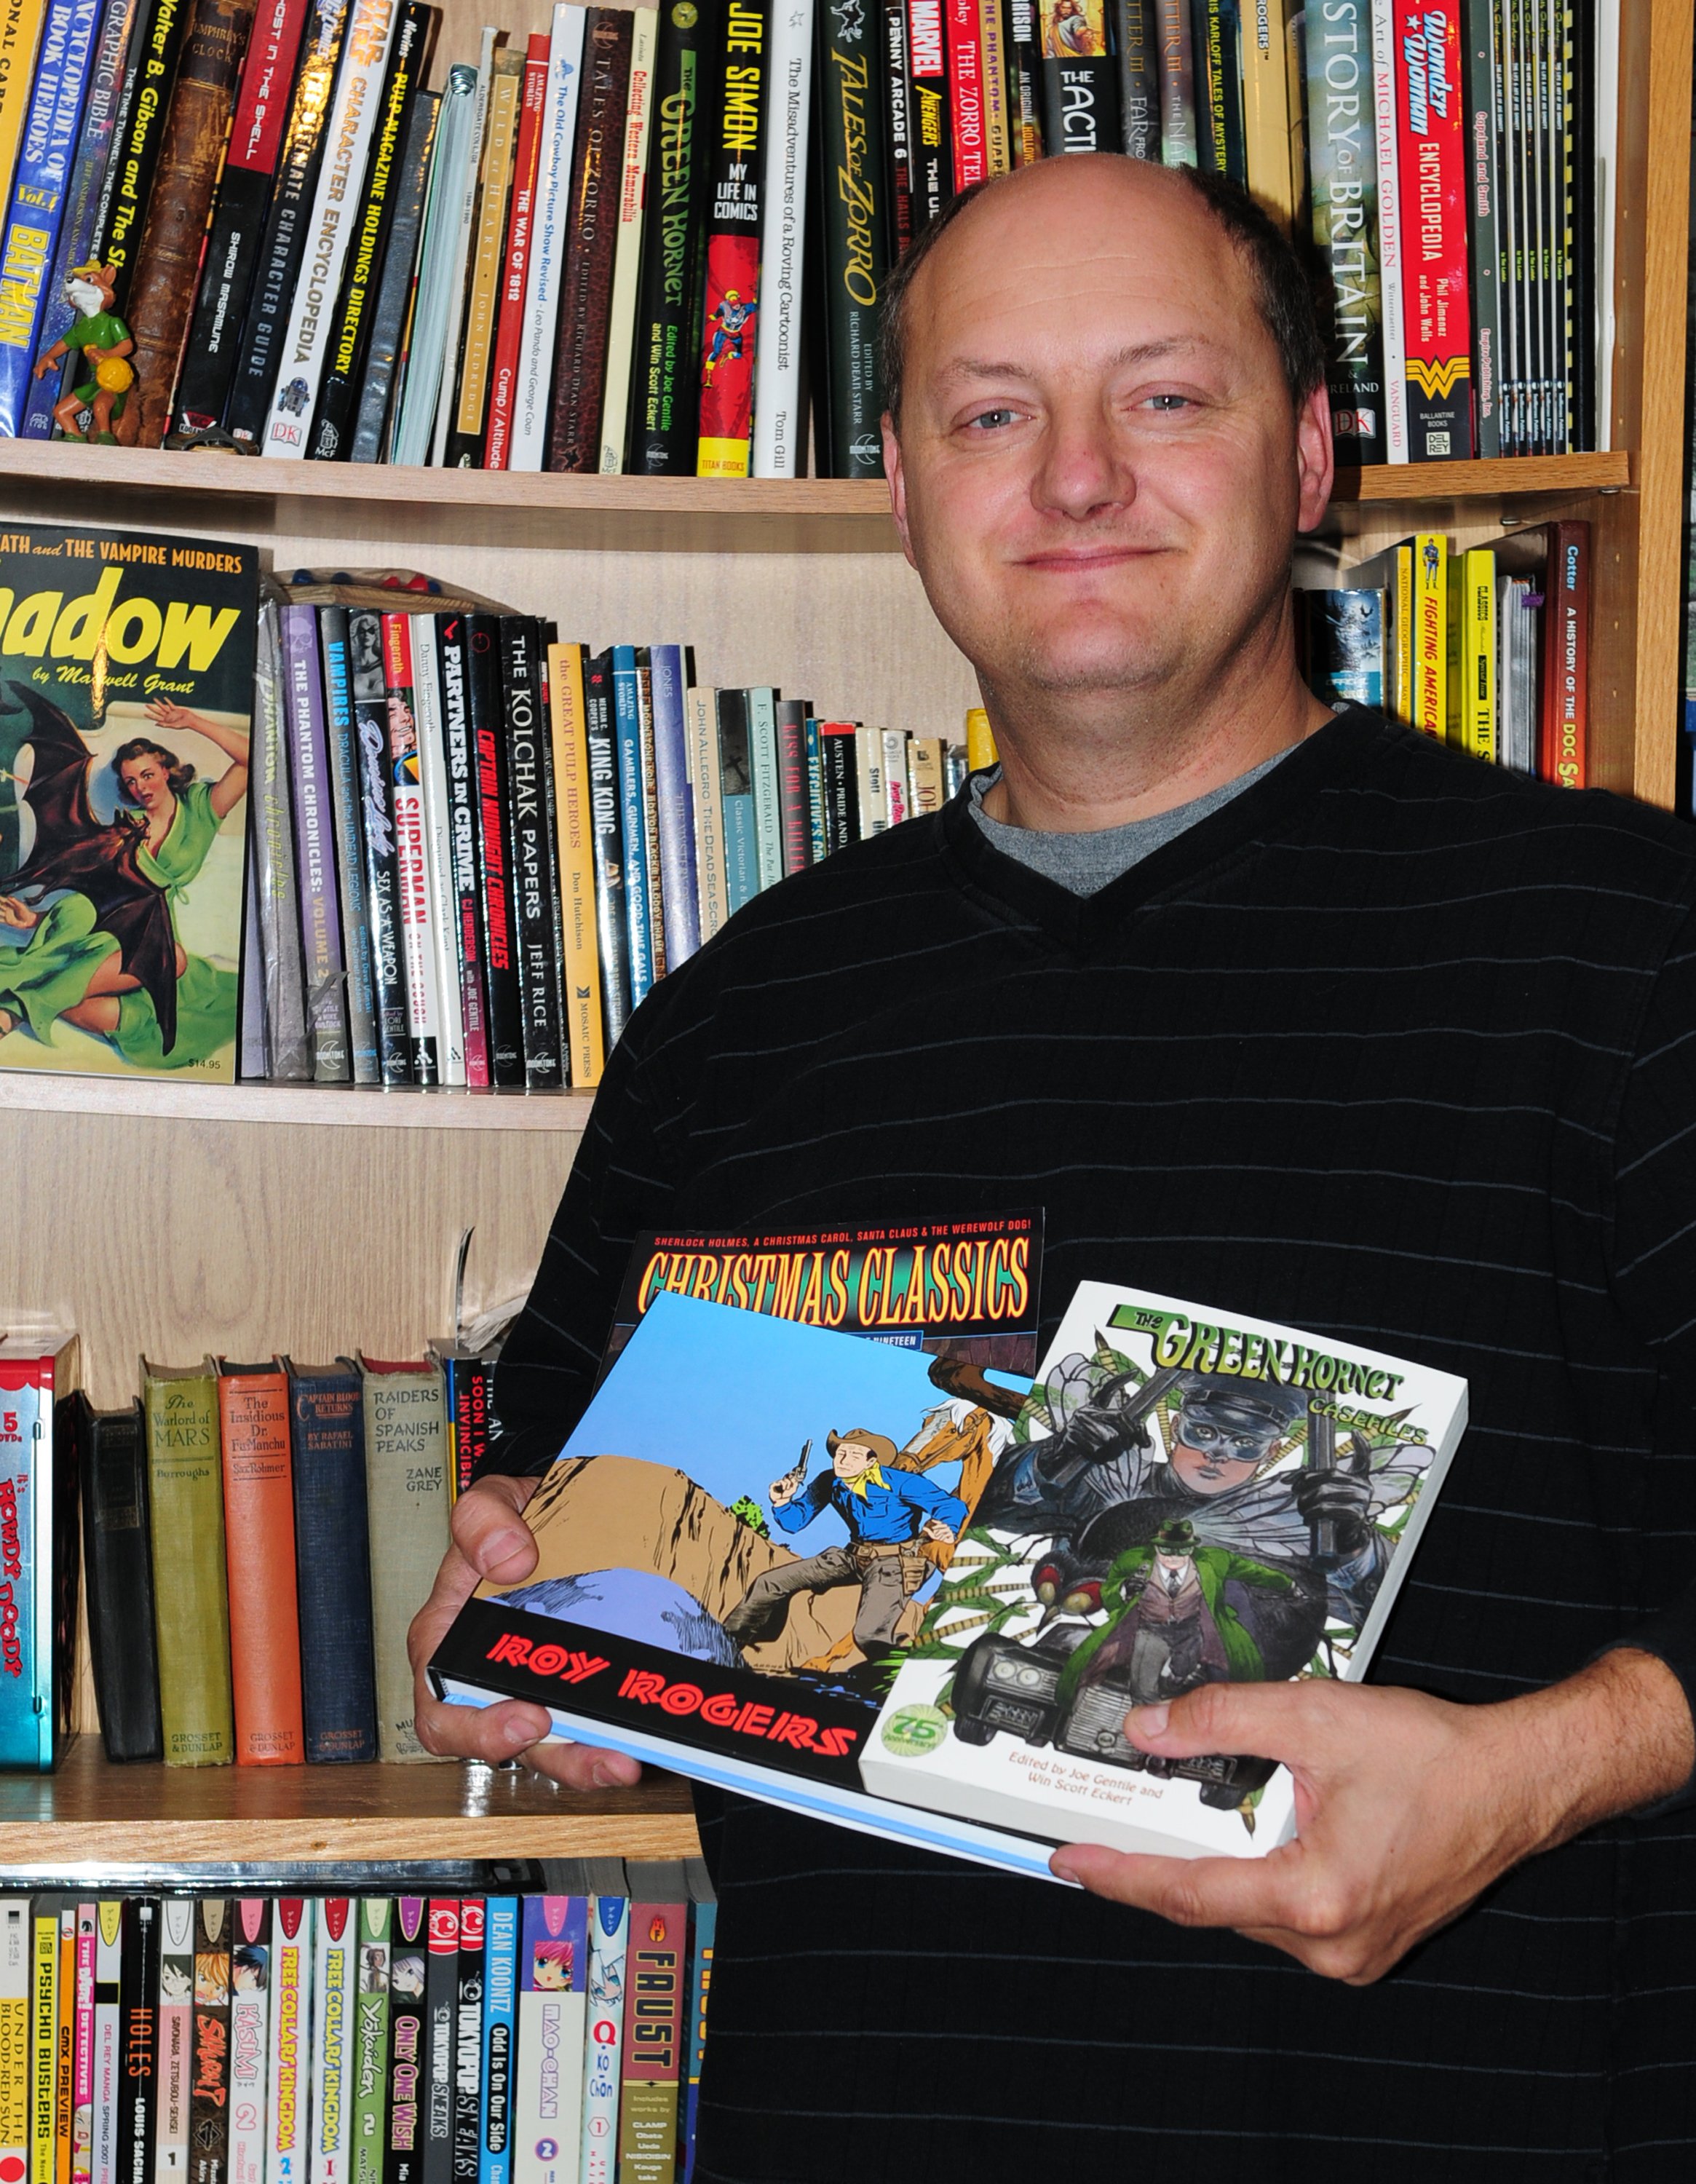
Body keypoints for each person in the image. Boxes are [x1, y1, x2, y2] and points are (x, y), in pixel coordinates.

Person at [410, 153, 1696, 2177]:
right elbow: (552, 1533)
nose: (1078, 477)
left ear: (1309, 456)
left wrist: (1533, 1774)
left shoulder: (1626, 945)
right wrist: (522, 1629)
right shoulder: (741, 1016)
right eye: (992, 411)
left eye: (1163, 396)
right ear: (909, 497)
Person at [721, 1427, 967, 1660]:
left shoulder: (900, 1482)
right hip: (852, 1557)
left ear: (872, 1461)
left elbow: (951, 1506)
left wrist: (947, 1526)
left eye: (854, 1455)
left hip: (897, 1563)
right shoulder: (829, 1481)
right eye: (841, 1453)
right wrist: (782, 1501)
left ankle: (895, 1677)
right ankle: (727, 1644)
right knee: (769, 1583)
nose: (844, 1460)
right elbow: (796, 1522)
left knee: (869, 1635)